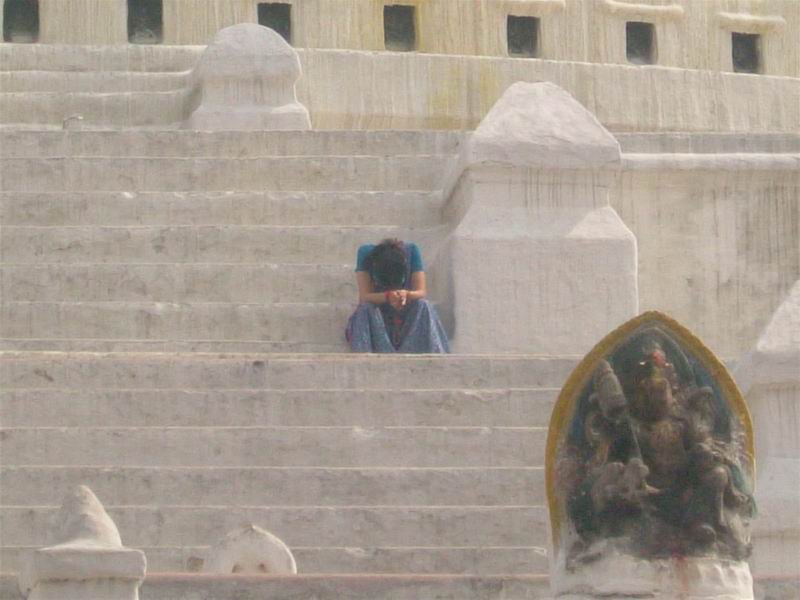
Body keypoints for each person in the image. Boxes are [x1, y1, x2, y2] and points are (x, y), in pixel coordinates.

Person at [345, 239, 450, 353]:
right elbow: (364, 296)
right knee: (365, 308)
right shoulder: (365, 253)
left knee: (423, 305)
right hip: (379, 320)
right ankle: (363, 355)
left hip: (406, 319)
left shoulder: (412, 252)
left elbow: (421, 292)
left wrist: (406, 295)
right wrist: (387, 296)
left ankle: (436, 353)